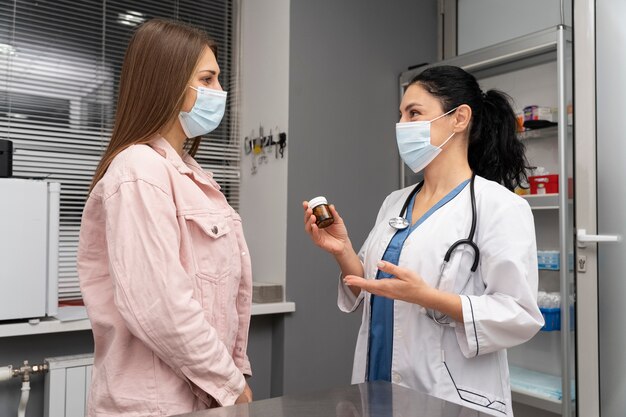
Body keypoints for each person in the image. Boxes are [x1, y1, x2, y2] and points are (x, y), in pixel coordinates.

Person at [303, 65, 543, 416]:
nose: (402, 125)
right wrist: (342, 250)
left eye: (414, 113)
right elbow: (369, 289)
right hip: (378, 382)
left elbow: (519, 313)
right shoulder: (396, 201)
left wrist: (429, 298)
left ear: (459, 118)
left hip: (451, 396)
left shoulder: (501, 206)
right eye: (400, 115)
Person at [78, 19, 253, 416]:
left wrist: (235, 372)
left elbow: (229, 300)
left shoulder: (190, 174)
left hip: (198, 397)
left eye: (219, 80)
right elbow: (160, 306)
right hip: (154, 404)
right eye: (207, 79)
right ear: (169, 83)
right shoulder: (138, 169)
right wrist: (232, 386)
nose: (220, 92)